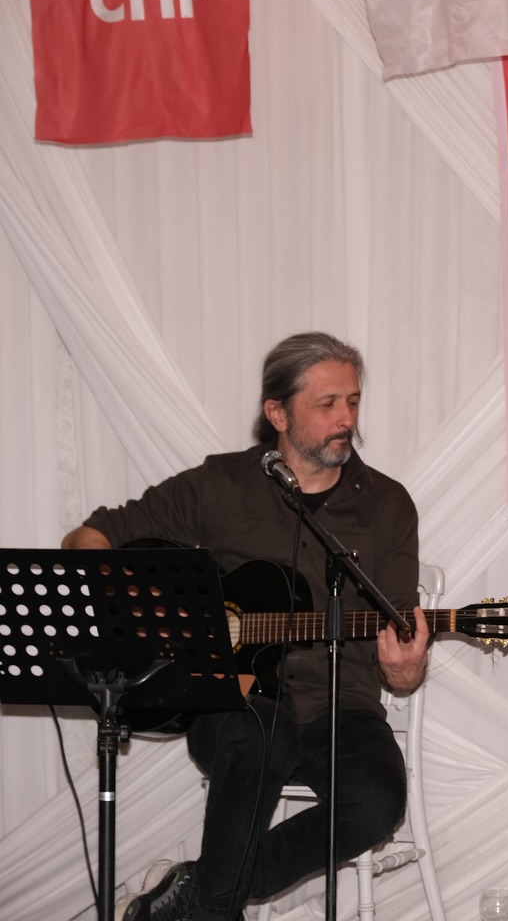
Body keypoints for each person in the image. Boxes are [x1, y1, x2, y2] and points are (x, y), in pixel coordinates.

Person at [62, 332, 430, 921]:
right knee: (261, 733)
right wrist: (128, 603)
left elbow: (401, 649)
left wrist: (405, 670)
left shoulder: (386, 505)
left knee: (376, 801)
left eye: (353, 401)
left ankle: (203, 888)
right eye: (327, 404)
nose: (346, 419)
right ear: (277, 413)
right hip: (235, 707)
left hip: (342, 708)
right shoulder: (220, 484)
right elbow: (93, 534)